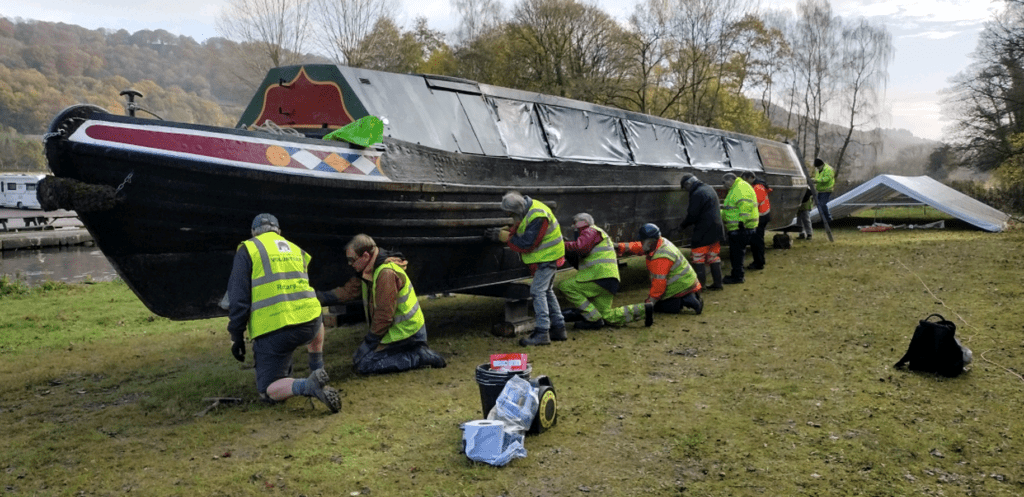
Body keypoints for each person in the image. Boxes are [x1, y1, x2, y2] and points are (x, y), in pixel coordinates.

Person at [226, 213, 341, 413]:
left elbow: (238, 299)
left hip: (275, 330)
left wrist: (236, 336)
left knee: (268, 389)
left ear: (253, 233)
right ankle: (317, 368)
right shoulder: (296, 250)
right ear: (279, 232)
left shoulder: (249, 249)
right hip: (310, 323)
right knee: (316, 315)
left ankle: (307, 385)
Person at [318, 234, 446, 375]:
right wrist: (314, 297)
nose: (349, 264)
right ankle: (415, 353)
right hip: (396, 331)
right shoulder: (369, 271)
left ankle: (418, 357)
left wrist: (370, 341)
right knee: (358, 360)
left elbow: (384, 316)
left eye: (351, 260)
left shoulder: (386, 273)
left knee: (364, 365)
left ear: (365, 256)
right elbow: (347, 292)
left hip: (407, 333)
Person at [484, 191, 566, 346]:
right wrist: (511, 231)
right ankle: (559, 327)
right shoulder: (528, 209)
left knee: (537, 291)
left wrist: (505, 237)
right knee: (546, 291)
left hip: (548, 257)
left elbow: (528, 243)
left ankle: (542, 332)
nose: (511, 216)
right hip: (549, 256)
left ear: (517, 209)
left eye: (511, 213)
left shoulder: (538, 216)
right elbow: (522, 227)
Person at [558, 213, 654, 329]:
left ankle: (593, 319)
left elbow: (580, 247)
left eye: (575, 222)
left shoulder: (590, 231)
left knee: (566, 286)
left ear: (584, 222)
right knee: (606, 315)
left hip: (599, 277)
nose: (573, 226)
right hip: (609, 280)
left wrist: (561, 245)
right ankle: (644, 309)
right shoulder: (597, 234)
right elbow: (581, 257)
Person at [615, 223, 703, 315]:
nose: (641, 242)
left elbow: (659, 285)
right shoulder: (659, 243)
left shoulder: (661, 258)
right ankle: (690, 296)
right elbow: (639, 247)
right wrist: (620, 246)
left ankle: (689, 300)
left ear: (649, 242)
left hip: (681, 286)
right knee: (662, 303)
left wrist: (649, 303)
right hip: (686, 282)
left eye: (642, 240)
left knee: (661, 306)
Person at [679, 173, 726, 291]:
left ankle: (701, 286)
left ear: (689, 184)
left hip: (703, 230)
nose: (686, 191)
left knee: (698, 258)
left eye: (685, 188)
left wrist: (683, 225)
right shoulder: (709, 188)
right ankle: (718, 283)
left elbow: (692, 215)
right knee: (713, 257)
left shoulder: (697, 193)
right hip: (716, 229)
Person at [720, 173, 758, 284]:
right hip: (739, 227)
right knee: (736, 253)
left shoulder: (740, 188)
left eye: (724, 182)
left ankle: (738, 277)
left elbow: (745, 205)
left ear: (731, 180)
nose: (723, 185)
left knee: (737, 254)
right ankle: (736, 274)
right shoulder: (736, 188)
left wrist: (742, 222)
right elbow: (731, 208)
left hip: (741, 228)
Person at [740, 171, 771, 270]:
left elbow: (754, 203)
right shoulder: (759, 186)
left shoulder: (757, 188)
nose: (745, 182)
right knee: (758, 240)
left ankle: (758, 263)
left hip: (760, 217)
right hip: (763, 215)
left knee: (756, 241)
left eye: (745, 180)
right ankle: (759, 261)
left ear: (751, 178)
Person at [812, 158, 835, 225]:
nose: (818, 168)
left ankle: (828, 219)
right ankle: (823, 219)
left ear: (822, 165)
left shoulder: (828, 169)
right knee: (819, 205)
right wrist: (814, 180)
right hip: (820, 190)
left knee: (822, 204)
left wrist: (816, 181)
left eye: (818, 167)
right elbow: (817, 178)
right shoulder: (818, 170)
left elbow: (826, 179)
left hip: (826, 189)